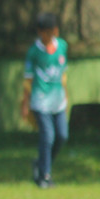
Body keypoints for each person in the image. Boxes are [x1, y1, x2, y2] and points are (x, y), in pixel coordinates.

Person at [20, 12, 69, 189]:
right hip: (40, 101)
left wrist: (66, 95)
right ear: (39, 32)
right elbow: (28, 80)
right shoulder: (34, 52)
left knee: (62, 136)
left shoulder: (62, 46)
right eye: (44, 32)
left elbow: (63, 75)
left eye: (50, 32)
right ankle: (44, 176)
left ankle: (41, 164)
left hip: (58, 102)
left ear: (55, 30)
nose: (47, 36)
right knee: (47, 136)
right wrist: (25, 104)